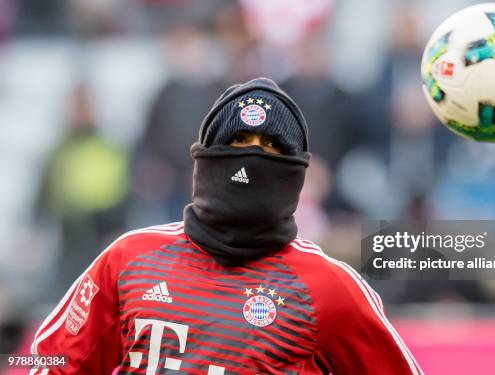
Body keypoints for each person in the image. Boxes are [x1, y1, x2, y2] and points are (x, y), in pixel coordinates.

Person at [29, 78, 422, 374]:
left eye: (271, 146)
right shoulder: (129, 258)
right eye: (237, 140)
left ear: (297, 171)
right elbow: (52, 362)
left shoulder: (329, 288)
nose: (251, 155)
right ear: (205, 159)